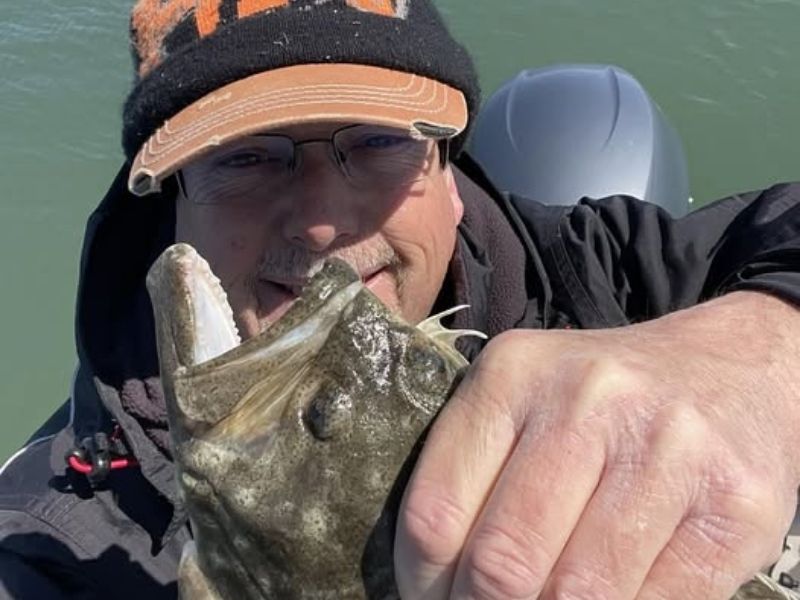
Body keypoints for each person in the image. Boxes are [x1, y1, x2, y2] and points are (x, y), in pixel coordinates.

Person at [2, 1, 800, 598]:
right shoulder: (57, 536)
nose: (321, 223)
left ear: (450, 173)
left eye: (380, 142)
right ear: (173, 203)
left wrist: (764, 348)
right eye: (244, 158)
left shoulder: (595, 269)